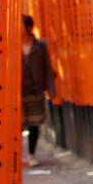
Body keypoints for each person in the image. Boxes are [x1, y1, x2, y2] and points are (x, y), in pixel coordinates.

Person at [21, 14, 55, 167]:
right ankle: (18, 155)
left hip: (35, 90)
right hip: (18, 92)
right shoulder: (9, 46)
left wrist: (51, 89)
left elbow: (47, 68)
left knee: (34, 123)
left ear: (29, 28)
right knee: (19, 123)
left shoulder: (39, 46)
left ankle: (32, 154)